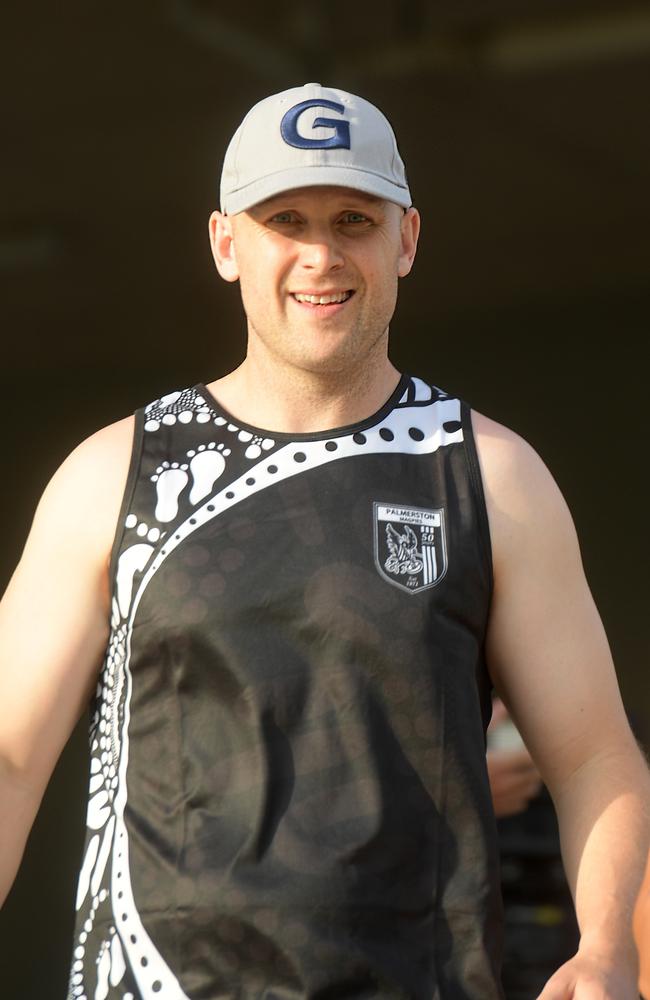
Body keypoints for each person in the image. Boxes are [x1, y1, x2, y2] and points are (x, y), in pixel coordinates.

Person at [0, 82, 648, 1000]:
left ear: (406, 241)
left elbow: (593, 755)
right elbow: (10, 754)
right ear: (227, 244)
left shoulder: (490, 477)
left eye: (353, 218)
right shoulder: (114, 475)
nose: (319, 254)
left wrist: (609, 948)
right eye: (285, 219)